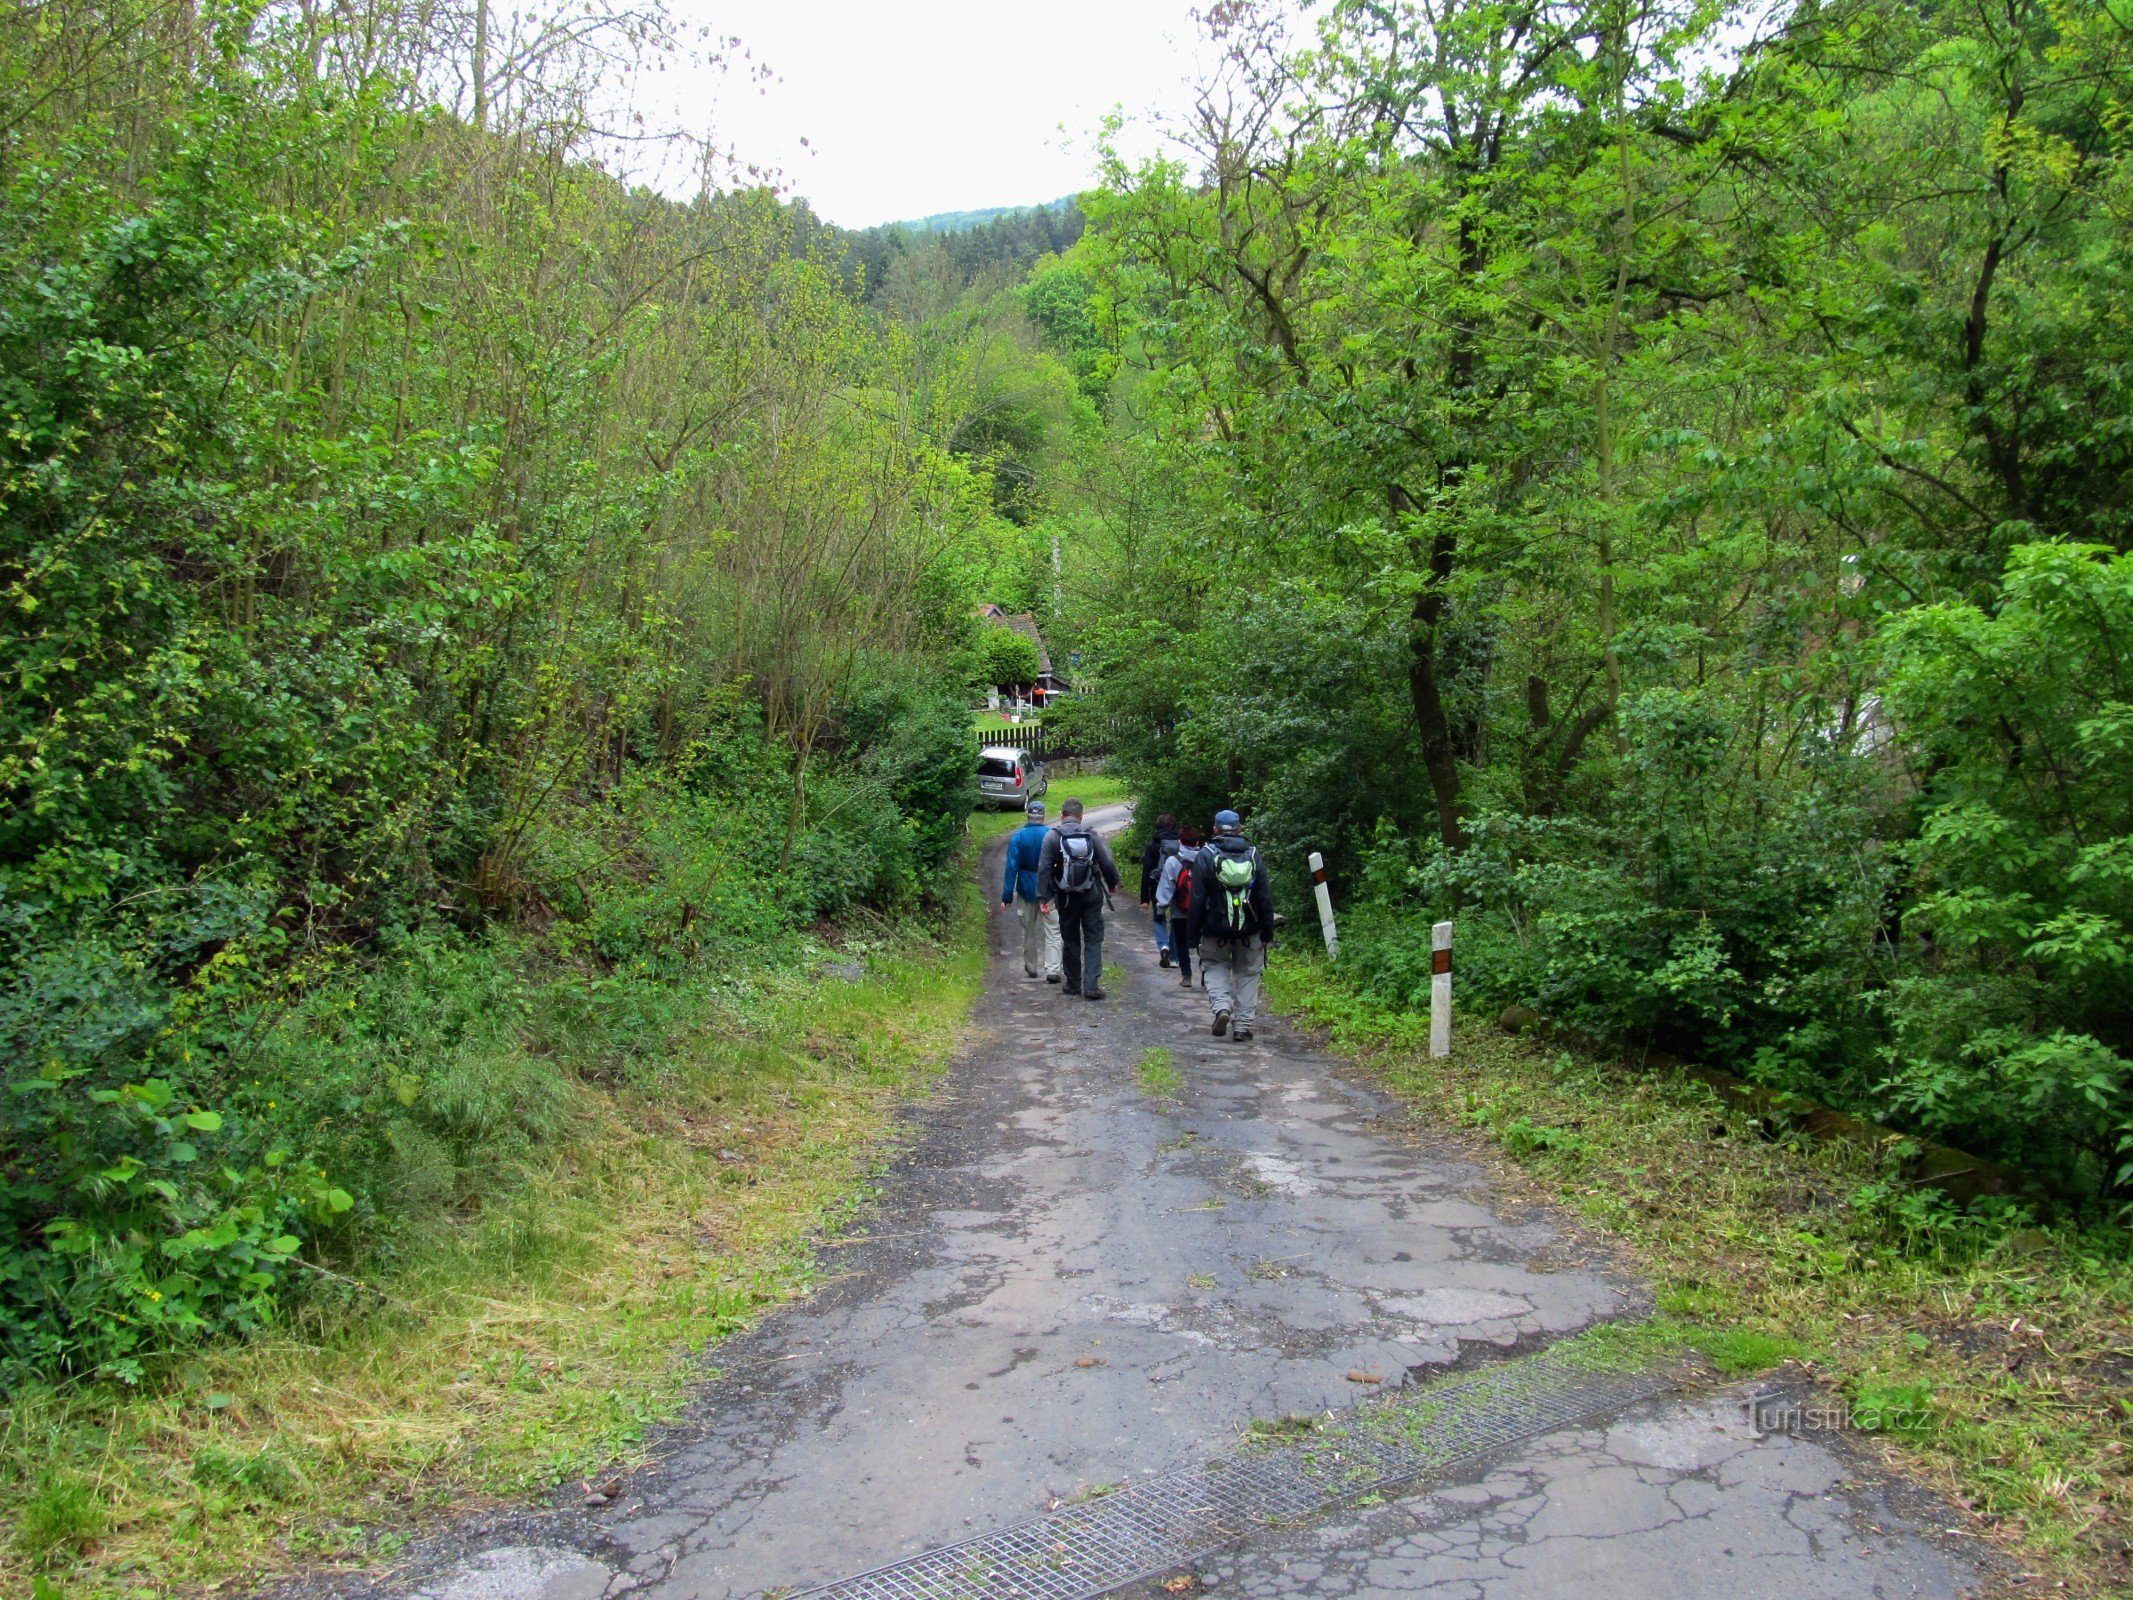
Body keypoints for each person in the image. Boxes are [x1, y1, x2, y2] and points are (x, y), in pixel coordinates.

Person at [1187, 808, 1274, 1040]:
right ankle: (1243, 1027)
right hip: (1250, 930)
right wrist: (1268, 932)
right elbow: (1264, 897)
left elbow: (1196, 899)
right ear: (1240, 828)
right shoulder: (1253, 854)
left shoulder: (1206, 855)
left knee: (1215, 967)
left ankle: (1222, 1008)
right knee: (1248, 974)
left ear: (1215, 829)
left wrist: (1192, 935)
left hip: (1215, 930)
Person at [1037, 797, 1122, 1000]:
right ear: (1081, 816)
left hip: (1066, 897)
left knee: (1070, 938)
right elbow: (1107, 862)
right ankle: (1091, 985)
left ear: (1062, 814)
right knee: (1093, 937)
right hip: (1091, 893)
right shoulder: (1091, 835)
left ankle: (1073, 983)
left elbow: (1044, 869)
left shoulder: (1052, 837)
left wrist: (1043, 898)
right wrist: (1112, 883)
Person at [1001, 799, 1061, 983]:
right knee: (1053, 929)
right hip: (1048, 888)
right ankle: (1053, 969)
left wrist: (1006, 896)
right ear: (1043, 816)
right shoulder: (1052, 835)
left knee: (1028, 930)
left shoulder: (1018, 837)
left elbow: (1011, 867)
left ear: (1028, 815)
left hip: (1026, 888)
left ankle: (1032, 967)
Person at [1156, 823, 1200, 987]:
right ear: (1197, 842)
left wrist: (1161, 909)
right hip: (1202, 910)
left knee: (1181, 942)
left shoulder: (1173, 861)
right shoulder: (1206, 858)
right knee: (1203, 942)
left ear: (1180, 842)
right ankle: (1205, 972)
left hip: (1179, 909)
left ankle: (1187, 976)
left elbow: (1166, 887)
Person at [1139, 813, 1181, 968]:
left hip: (1158, 885)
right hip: (1179, 886)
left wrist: (1144, 898)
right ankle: (1175, 958)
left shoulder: (1153, 844)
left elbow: (1147, 871)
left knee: (1159, 918)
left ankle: (1163, 945)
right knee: (1176, 919)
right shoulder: (1180, 842)